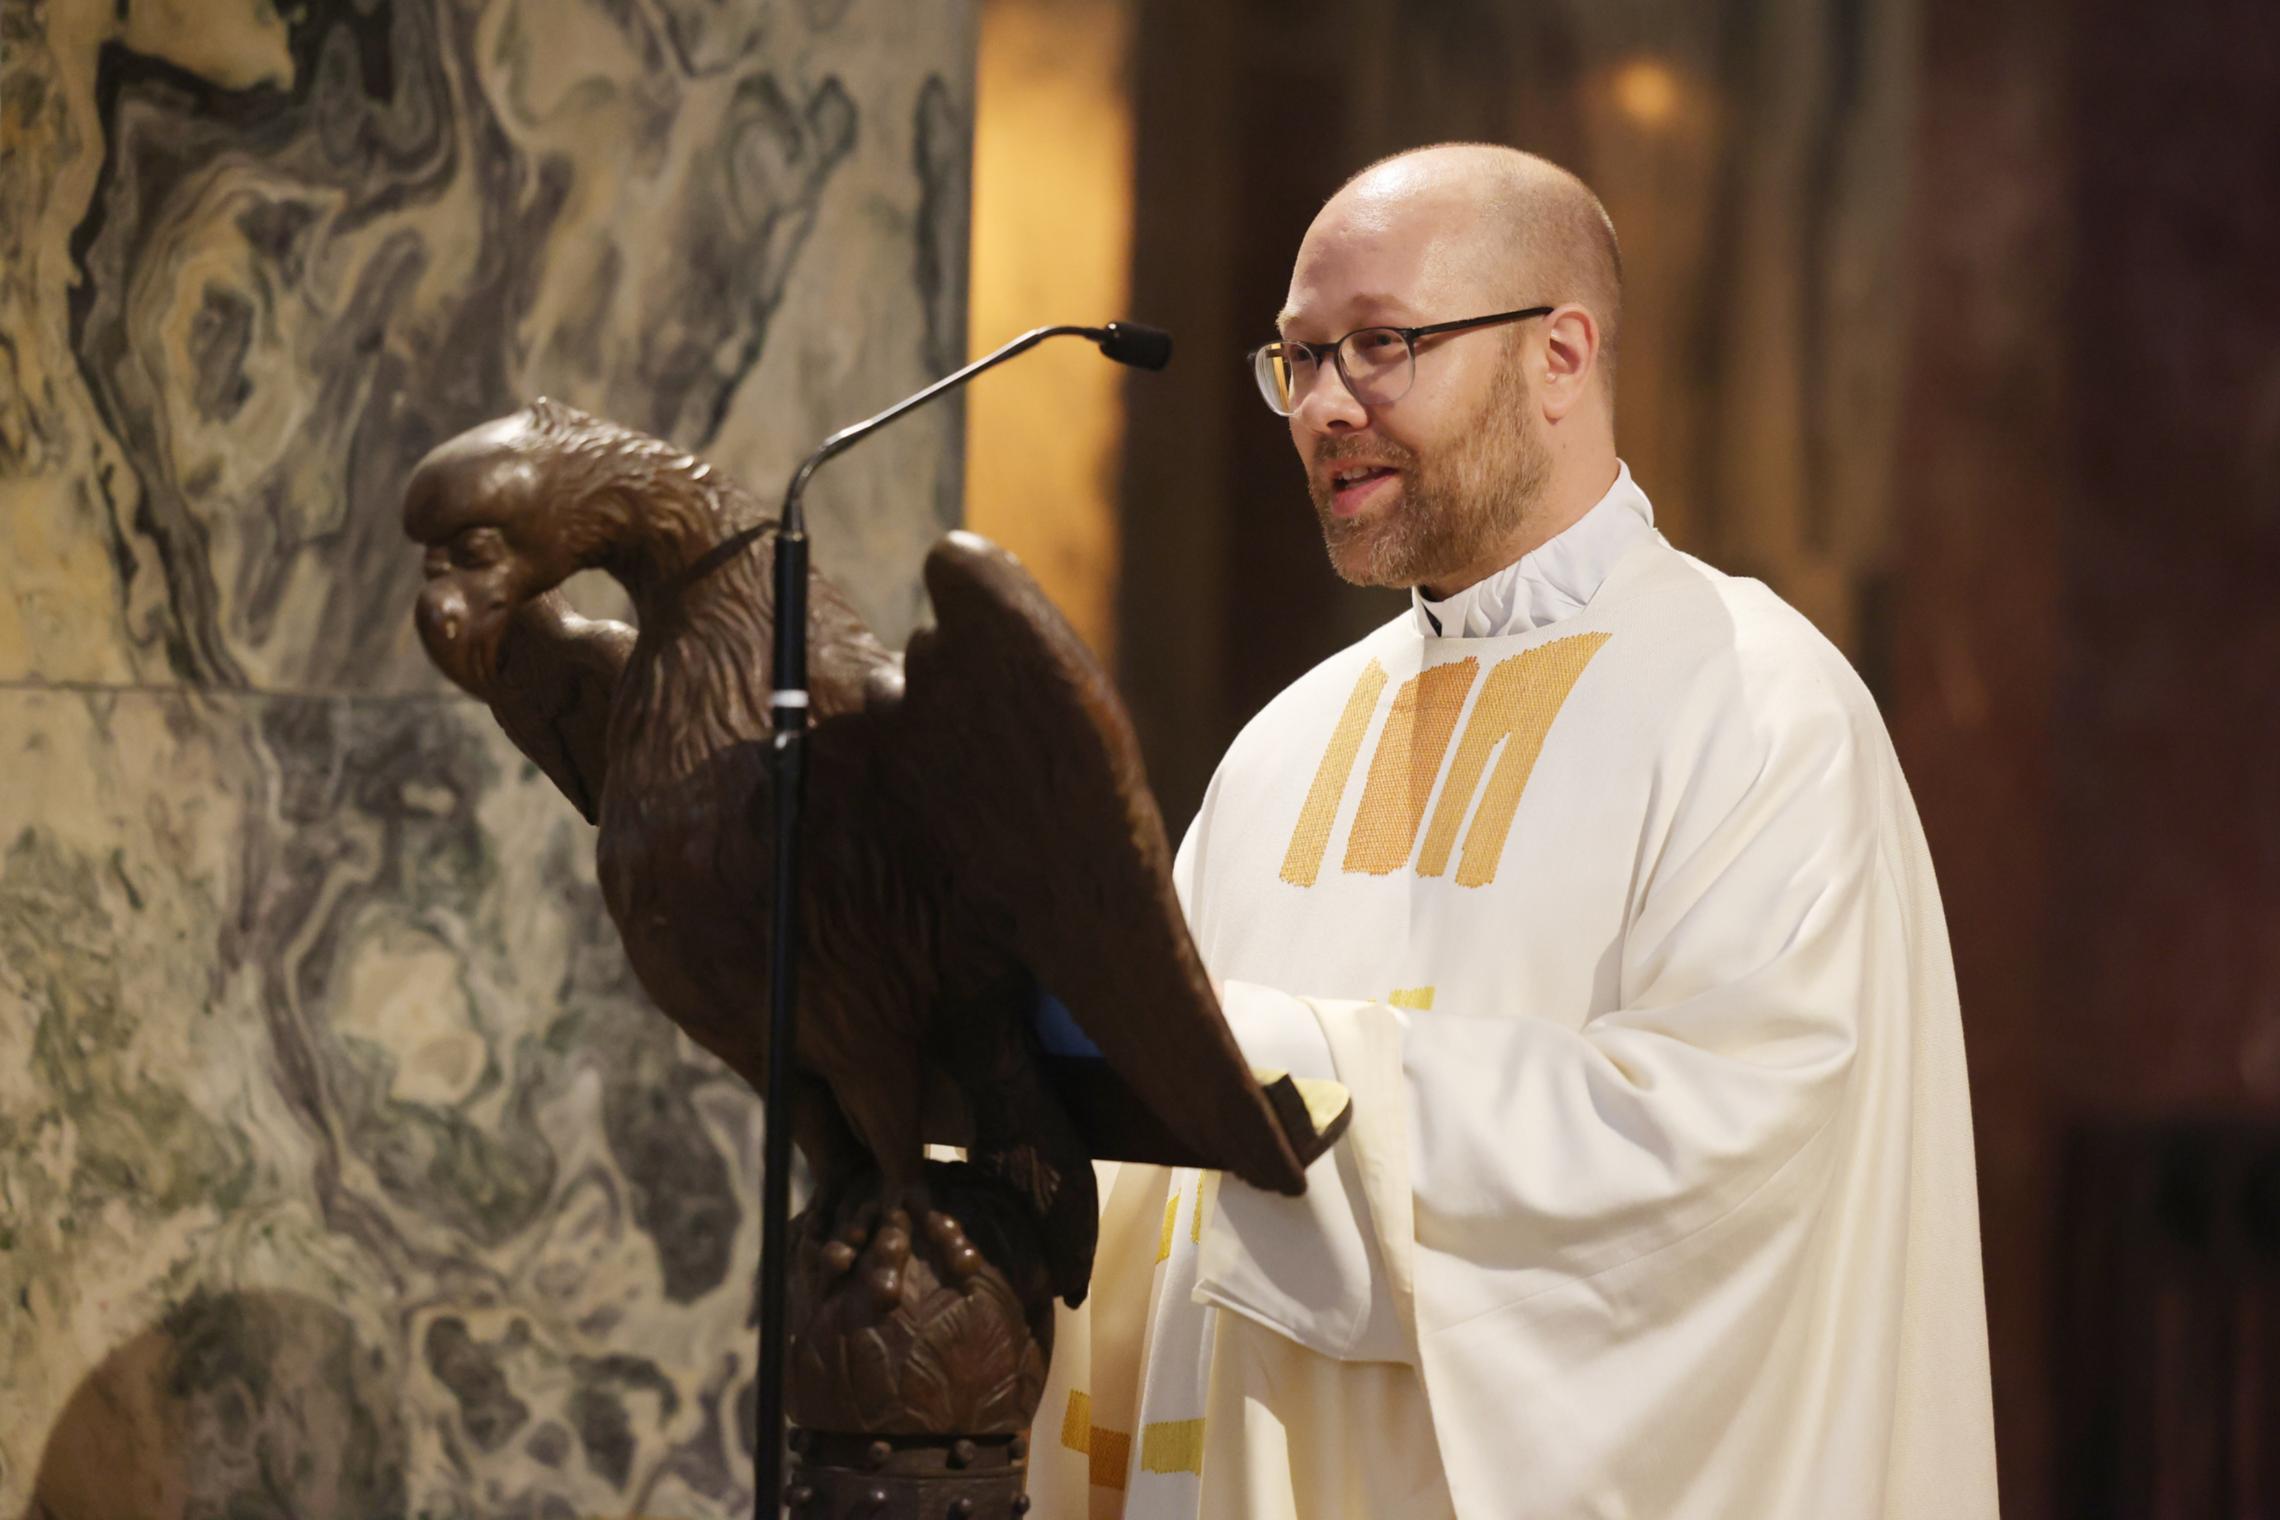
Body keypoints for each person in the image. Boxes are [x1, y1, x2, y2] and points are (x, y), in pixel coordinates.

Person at [1027, 143, 1997, 1520]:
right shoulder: (1287, 744)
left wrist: (1290, 1073)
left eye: (1379, 346)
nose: (1322, 407)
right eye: (1296, 361)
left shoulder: (1763, 713)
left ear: (1561, 356)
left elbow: (1718, 1180)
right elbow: (1145, 1159)